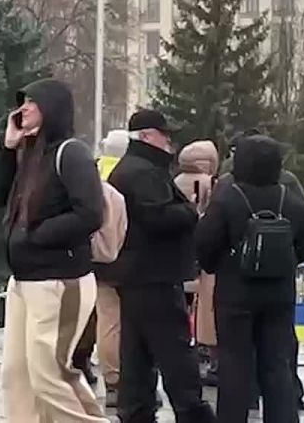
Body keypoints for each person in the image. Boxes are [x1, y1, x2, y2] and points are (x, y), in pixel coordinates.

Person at [0, 78, 109, 423]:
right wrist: (7, 149)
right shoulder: (29, 154)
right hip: (23, 280)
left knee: (50, 373)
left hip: (60, 281)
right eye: (22, 102)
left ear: (51, 108)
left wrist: (36, 236)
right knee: (16, 375)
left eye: (31, 102)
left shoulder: (72, 153)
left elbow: (90, 213)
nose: (22, 109)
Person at [194, 134, 304, 423]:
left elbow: (205, 244)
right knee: (277, 364)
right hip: (279, 293)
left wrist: (221, 265)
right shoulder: (291, 200)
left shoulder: (227, 198)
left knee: (234, 364)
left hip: (235, 293)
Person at [108, 109, 215, 423]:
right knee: (174, 348)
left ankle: (135, 410)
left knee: (137, 351)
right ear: (145, 136)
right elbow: (158, 217)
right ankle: (192, 411)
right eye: (163, 133)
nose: (169, 140)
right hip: (154, 273)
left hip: (135, 272)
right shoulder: (144, 173)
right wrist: (191, 211)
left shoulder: (134, 168)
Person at [70, 128, 130, 406]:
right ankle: (115, 378)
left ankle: (80, 360)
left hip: (87, 256)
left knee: (90, 314)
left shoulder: (94, 169)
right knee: (112, 319)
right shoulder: (125, 175)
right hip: (116, 257)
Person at [173, 140, 220, 387]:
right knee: (207, 308)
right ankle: (210, 356)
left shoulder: (174, 182)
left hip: (177, 255)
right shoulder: (211, 184)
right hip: (202, 258)